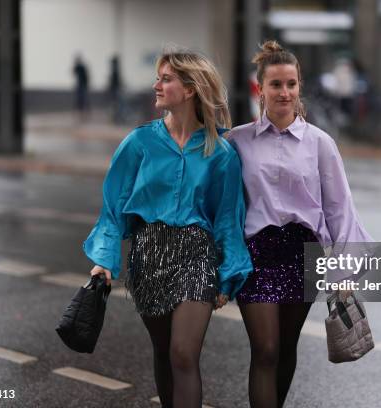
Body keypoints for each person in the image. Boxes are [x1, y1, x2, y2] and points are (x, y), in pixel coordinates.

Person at [84, 49, 252, 408]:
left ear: (190, 89)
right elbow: (113, 207)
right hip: (149, 255)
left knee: (183, 354)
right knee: (163, 352)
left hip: (197, 255)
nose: (156, 85)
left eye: (165, 78)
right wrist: (105, 260)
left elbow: (227, 218)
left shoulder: (221, 153)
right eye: (158, 78)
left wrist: (227, 274)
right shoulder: (138, 143)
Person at [228, 40, 373, 408]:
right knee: (265, 349)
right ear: (260, 88)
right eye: (276, 84)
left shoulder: (320, 144)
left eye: (291, 84)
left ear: (299, 87)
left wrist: (342, 274)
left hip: (302, 254)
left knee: (286, 348)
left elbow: (341, 210)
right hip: (255, 254)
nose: (285, 92)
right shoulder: (237, 141)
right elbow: (223, 206)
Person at [72, 54, 90, 119]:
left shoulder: (82, 67)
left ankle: (84, 112)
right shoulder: (78, 67)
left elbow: (86, 76)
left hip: (83, 85)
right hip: (79, 85)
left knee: (83, 99)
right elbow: (73, 72)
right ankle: (81, 112)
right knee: (80, 99)